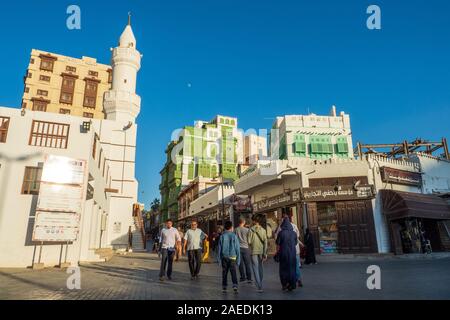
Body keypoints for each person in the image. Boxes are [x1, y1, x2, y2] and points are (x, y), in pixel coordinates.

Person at [274, 214, 303, 287]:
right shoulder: (294, 232)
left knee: (284, 269)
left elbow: (277, 242)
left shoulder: (281, 231)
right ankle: (293, 283)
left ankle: (285, 283)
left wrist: (277, 251)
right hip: (293, 253)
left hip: (283, 253)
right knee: (293, 267)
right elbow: (296, 242)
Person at [217, 221, 241, 293]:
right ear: (231, 227)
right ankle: (235, 286)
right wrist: (238, 259)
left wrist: (219, 259)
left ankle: (224, 287)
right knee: (233, 272)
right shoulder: (234, 236)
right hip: (233, 257)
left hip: (224, 257)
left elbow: (219, 248)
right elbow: (237, 248)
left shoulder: (222, 236)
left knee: (224, 272)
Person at [247, 215, 268, 293]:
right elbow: (265, 242)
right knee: (260, 267)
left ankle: (259, 286)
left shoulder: (250, 230)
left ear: (254, 221)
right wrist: (265, 252)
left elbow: (249, 241)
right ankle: (260, 282)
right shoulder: (263, 230)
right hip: (261, 251)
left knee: (255, 268)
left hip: (253, 251)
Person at [234, 218, 252, 283]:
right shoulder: (247, 230)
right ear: (244, 222)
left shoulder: (235, 230)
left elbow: (234, 240)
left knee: (240, 264)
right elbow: (249, 240)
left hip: (238, 248)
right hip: (246, 248)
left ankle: (242, 277)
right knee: (247, 264)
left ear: (239, 222)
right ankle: (249, 278)